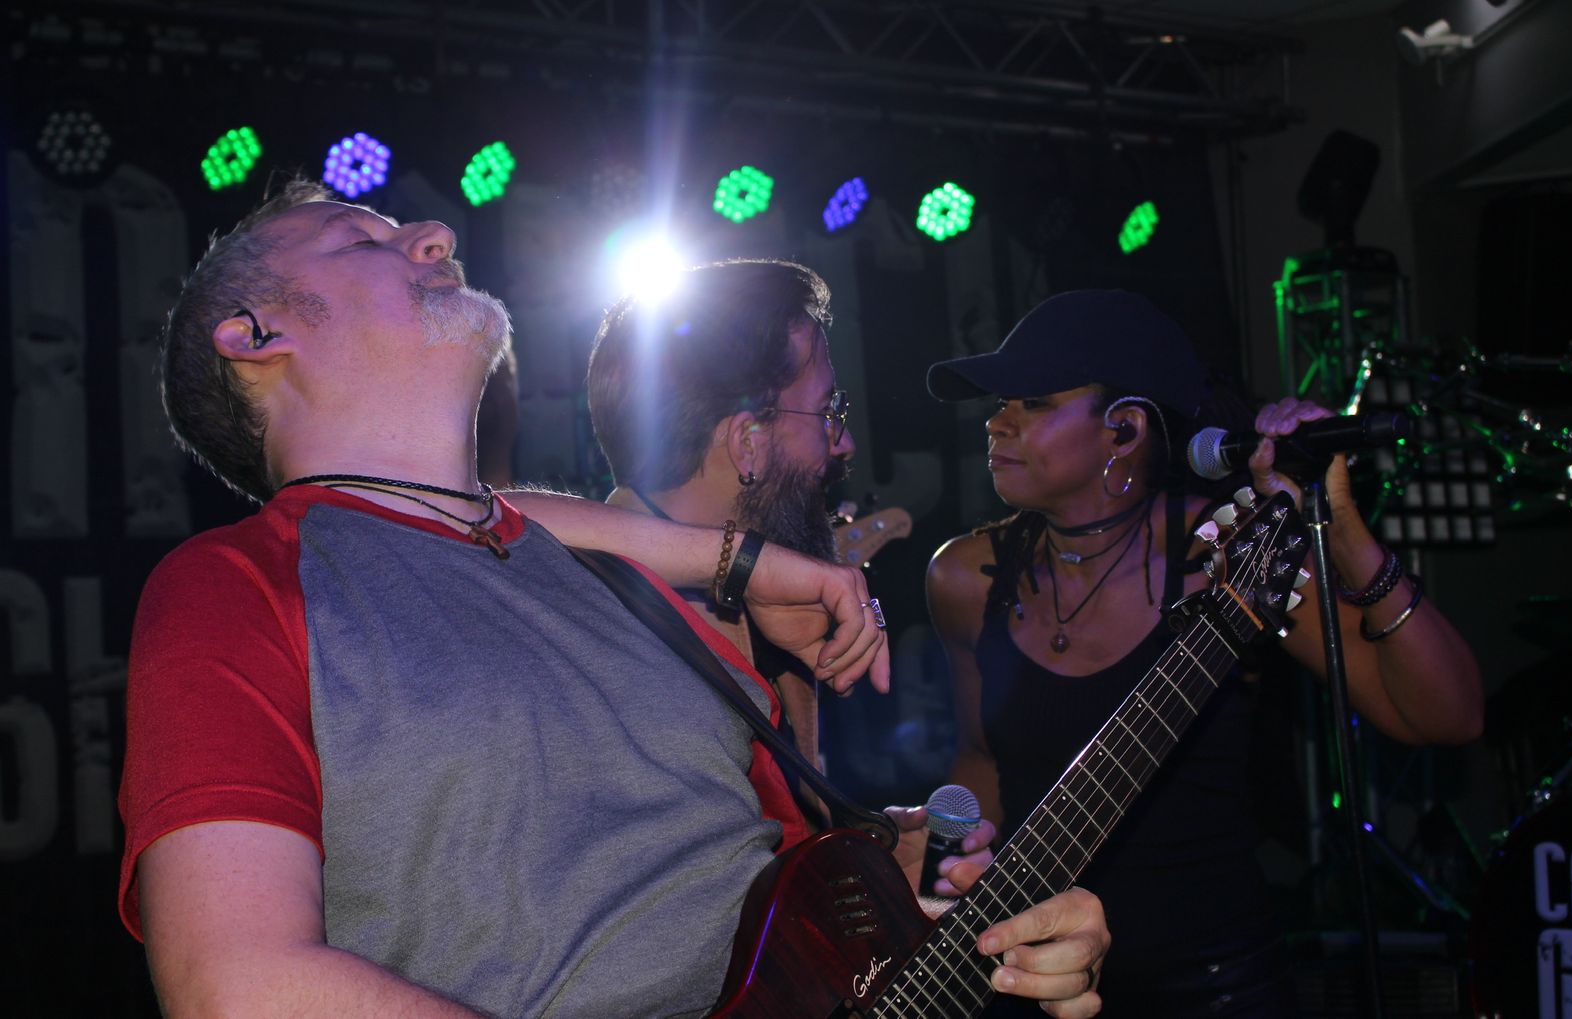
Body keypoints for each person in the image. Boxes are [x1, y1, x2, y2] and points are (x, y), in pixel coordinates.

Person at [117, 180, 1110, 1018]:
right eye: (358, 239)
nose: (436, 234)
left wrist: (945, 911)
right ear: (255, 334)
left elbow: (764, 896)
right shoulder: (237, 582)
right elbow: (234, 982)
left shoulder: (614, 579)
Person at [924, 289, 1484, 1018]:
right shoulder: (966, 577)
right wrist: (940, 871)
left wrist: (1343, 528)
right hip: (1041, 985)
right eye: (1000, 403)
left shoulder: (1231, 555)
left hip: (1216, 987)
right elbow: (976, 759)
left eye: (1032, 402)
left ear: (1124, 429)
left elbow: (1446, 715)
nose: (996, 421)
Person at [586, 258, 1006, 896]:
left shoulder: (765, 610)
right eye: (828, 410)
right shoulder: (606, 634)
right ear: (748, 444)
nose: (845, 443)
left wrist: (867, 862)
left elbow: (755, 874)